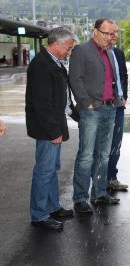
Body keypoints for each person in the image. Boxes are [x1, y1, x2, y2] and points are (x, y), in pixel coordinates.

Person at [69, 18, 123, 213]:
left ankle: (99, 193)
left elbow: (112, 79)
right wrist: (87, 103)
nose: (110, 37)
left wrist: (118, 99)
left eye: (113, 34)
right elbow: (75, 79)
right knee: (86, 156)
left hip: (110, 109)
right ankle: (80, 198)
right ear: (95, 32)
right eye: (107, 33)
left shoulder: (109, 52)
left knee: (103, 154)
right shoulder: (81, 51)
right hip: (92, 111)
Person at [25, 27, 75, 230]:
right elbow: (41, 104)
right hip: (47, 129)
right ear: (57, 44)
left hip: (54, 126)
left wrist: (73, 114)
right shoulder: (41, 65)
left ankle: (53, 207)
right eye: (68, 49)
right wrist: (54, 131)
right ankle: (39, 215)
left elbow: (61, 95)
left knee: (52, 169)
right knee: (44, 171)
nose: (69, 52)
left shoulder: (54, 62)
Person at [106, 23, 129, 191]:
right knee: (102, 146)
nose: (114, 36)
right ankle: (100, 181)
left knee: (116, 144)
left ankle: (112, 178)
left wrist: (124, 95)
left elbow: (124, 76)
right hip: (103, 106)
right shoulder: (97, 53)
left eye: (116, 33)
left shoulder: (119, 53)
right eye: (111, 33)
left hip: (118, 105)